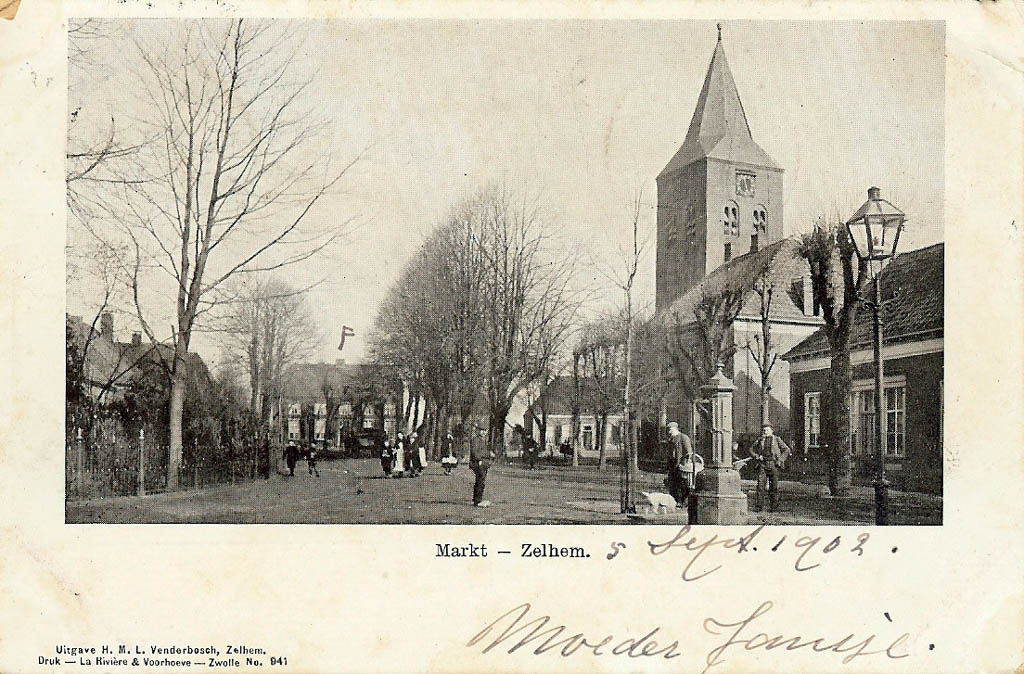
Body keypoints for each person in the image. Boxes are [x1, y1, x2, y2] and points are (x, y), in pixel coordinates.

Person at [751, 423, 792, 512]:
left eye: (767, 430)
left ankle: (773, 506)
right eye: (764, 430)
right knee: (760, 486)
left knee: (774, 486)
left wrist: (781, 460)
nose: (765, 432)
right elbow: (751, 450)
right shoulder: (760, 440)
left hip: (774, 465)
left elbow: (787, 450)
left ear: (771, 431)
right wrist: (757, 456)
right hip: (763, 465)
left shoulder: (777, 439)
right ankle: (759, 506)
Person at [663, 421, 695, 505]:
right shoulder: (670, 439)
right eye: (668, 430)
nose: (669, 431)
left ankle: (683, 501)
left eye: (670, 429)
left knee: (683, 484)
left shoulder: (683, 437)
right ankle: (675, 501)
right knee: (672, 484)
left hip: (681, 465)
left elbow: (688, 452)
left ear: (675, 429)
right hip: (672, 465)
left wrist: (683, 463)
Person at [469, 427, 493, 507]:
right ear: (478, 431)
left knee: (479, 481)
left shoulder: (482, 440)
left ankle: (476, 499)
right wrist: (488, 454)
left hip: (482, 463)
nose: (483, 432)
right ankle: (478, 500)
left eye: (485, 431)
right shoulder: (476, 440)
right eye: (481, 430)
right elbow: (474, 452)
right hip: (479, 463)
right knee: (480, 481)